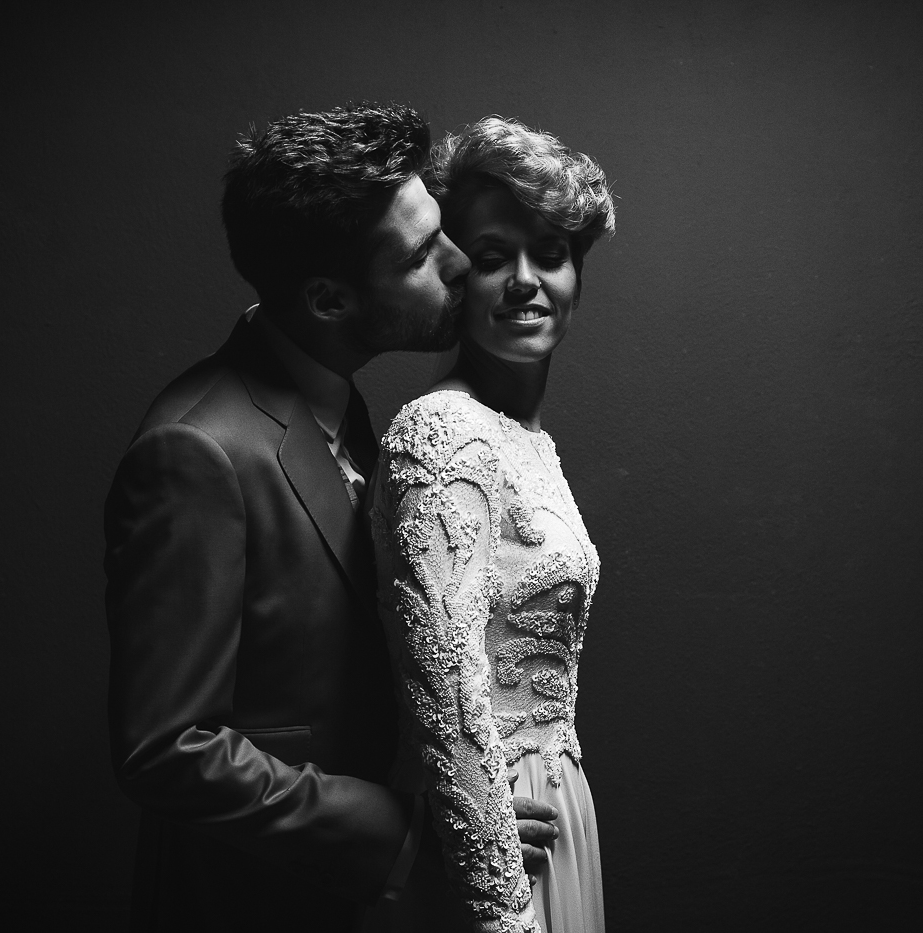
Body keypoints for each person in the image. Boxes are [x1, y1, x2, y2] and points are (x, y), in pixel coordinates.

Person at [104, 104, 556, 933]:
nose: (461, 262)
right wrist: (406, 831)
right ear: (328, 300)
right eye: (421, 255)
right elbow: (166, 749)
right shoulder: (193, 452)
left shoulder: (345, 404)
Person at [369, 117, 616, 933]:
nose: (524, 280)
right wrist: (494, 886)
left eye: (550, 253)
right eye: (491, 256)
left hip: (554, 805)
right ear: (454, 271)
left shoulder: (525, 437)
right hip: (490, 836)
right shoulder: (447, 430)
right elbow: (442, 676)